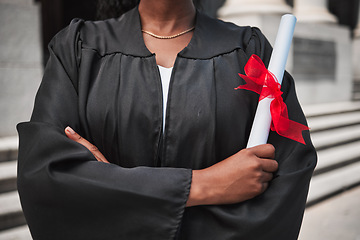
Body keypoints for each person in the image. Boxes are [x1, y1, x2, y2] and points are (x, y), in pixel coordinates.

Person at [17, 0, 317, 239]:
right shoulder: (78, 48)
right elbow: (46, 175)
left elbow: (290, 172)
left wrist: (113, 188)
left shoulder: (249, 50)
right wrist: (204, 186)